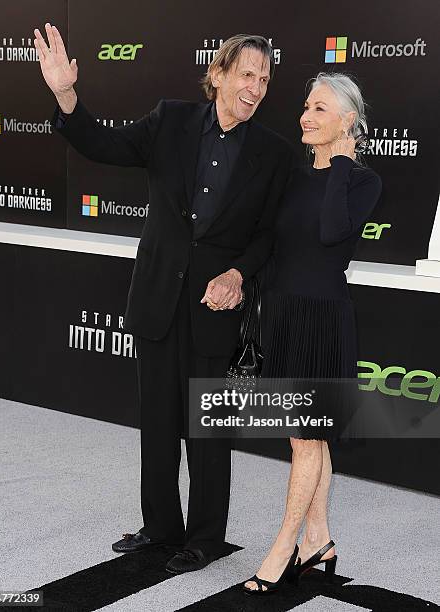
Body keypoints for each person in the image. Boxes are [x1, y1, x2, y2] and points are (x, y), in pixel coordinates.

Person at [34, 24, 296, 574]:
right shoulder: (170, 120)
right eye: (247, 74)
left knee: (207, 430)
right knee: (157, 422)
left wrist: (237, 274)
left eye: (265, 80)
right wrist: (65, 94)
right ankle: (160, 528)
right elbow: (102, 145)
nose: (256, 88)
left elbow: (270, 234)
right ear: (219, 74)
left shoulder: (272, 153)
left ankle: (204, 537)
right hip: (157, 296)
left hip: (215, 305)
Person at [243, 72, 382, 595]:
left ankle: (282, 547)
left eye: (320, 108)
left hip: (324, 320)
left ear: (348, 120)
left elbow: (330, 233)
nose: (305, 115)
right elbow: (276, 245)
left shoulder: (364, 182)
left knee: (305, 438)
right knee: (308, 435)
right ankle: (319, 539)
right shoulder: (292, 177)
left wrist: (341, 161)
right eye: (306, 106)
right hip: (283, 315)